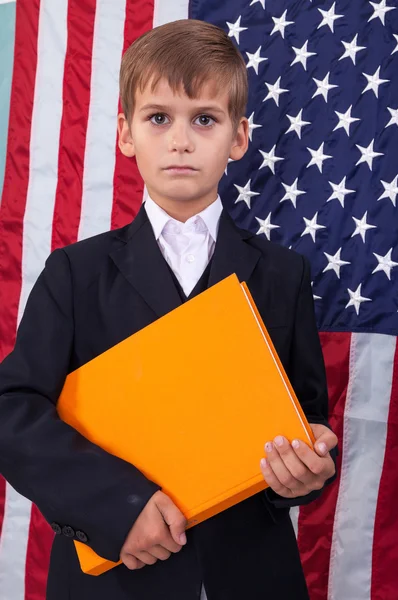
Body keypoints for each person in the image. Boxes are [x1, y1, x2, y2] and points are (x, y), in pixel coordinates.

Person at [0, 19, 338, 600]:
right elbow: (13, 412)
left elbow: (304, 425)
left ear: (238, 138)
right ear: (127, 134)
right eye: (159, 118)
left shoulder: (284, 275)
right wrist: (117, 506)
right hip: (115, 578)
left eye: (204, 119)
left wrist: (304, 475)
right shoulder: (73, 274)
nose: (181, 140)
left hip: (251, 576)